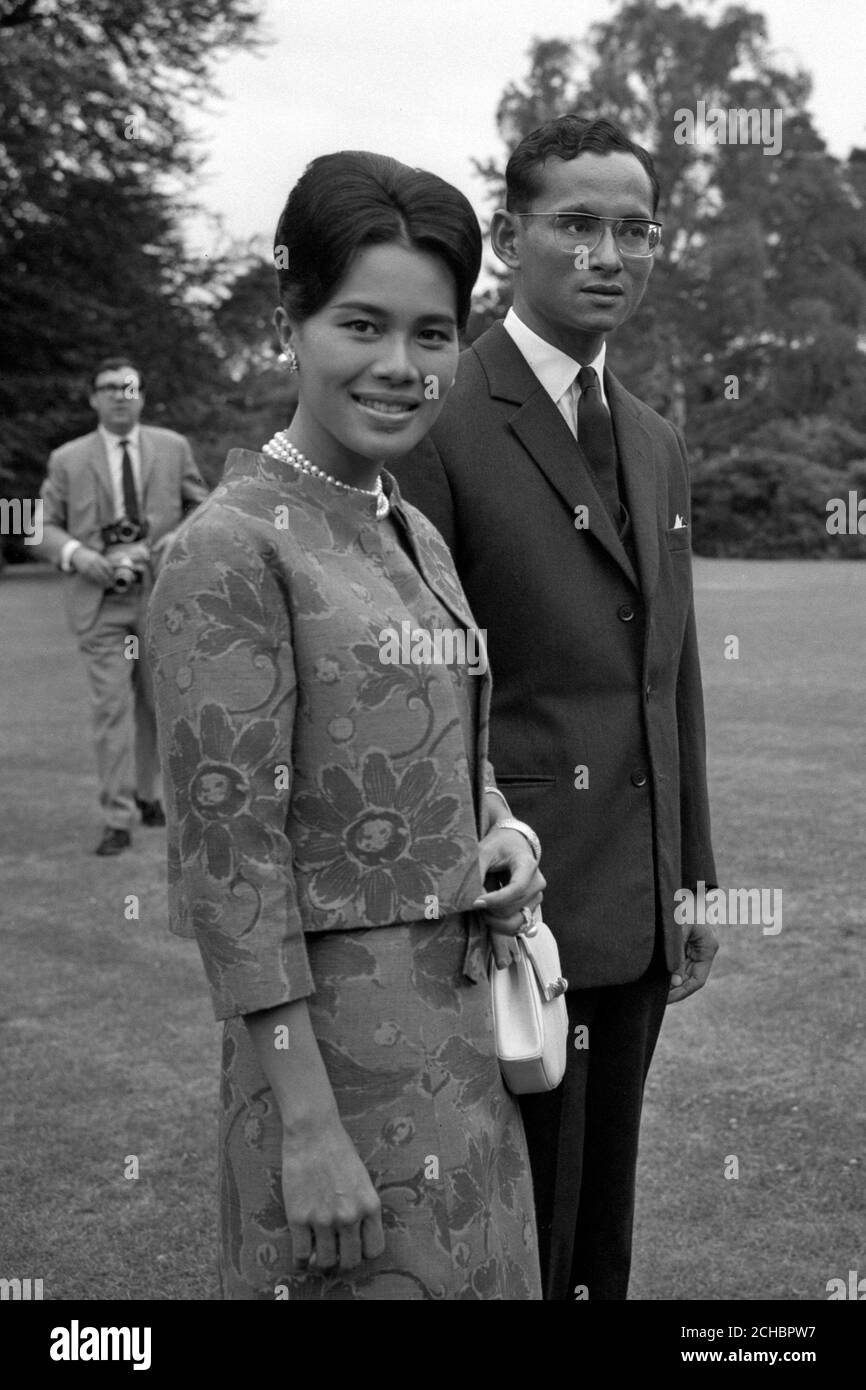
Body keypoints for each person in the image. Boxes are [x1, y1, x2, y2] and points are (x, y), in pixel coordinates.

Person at [147, 151, 545, 1300]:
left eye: (432, 335)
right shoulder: (229, 549)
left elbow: (453, 762)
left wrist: (504, 836)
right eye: (360, 324)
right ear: (290, 322)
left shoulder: (407, 527)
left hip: (464, 1057)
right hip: (333, 1082)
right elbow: (233, 870)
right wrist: (308, 1128)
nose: (399, 365)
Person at [391, 115, 719, 1301]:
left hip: (634, 909)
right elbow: (419, 678)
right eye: (576, 225)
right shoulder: (434, 410)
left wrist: (690, 879)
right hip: (500, 906)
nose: (608, 254)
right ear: (511, 237)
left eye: (633, 230)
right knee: (505, 1229)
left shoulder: (654, 438)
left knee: (597, 1233)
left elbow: (667, 673)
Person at [36, 359, 208, 855]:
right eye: (108, 388)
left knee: (159, 707)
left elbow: (204, 505)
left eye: (128, 387)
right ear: (93, 398)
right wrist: (79, 555)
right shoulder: (67, 458)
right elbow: (37, 526)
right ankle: (118, 817)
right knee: (112, 710)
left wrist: (177, 537)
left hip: (161, 598)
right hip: (101, 604)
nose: (119, 395)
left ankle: (150, 797)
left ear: (142, 397)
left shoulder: (173, 448)